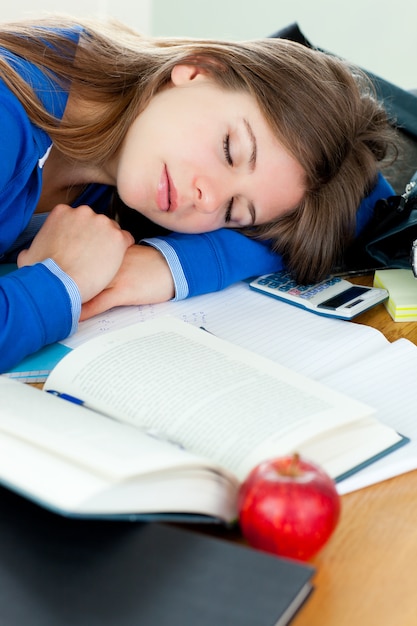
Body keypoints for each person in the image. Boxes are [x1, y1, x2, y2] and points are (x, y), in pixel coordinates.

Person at [0, 16, 396, 373]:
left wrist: (166, 266)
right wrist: (55, 286)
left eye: (233, 210)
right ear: (196, 70)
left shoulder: (122, 145)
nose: (207, 199)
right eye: (229, 151)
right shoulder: (10, 113)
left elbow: (369, 204)